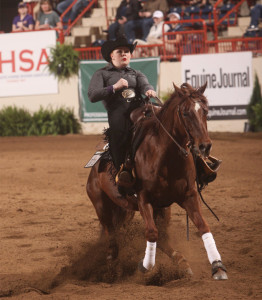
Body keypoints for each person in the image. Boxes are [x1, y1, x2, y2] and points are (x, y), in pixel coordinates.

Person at [88, 37, 156, 188]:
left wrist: (149, 90)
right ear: (112, 55)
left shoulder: (136, 73)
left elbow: (145, 84)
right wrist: (114, 87)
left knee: (164, 120)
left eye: (127, 51)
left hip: (140, 108)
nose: (124, 54)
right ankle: (122, 170)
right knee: (118, 130)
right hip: (118, 110)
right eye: (120, 52)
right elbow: (92, 95)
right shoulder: (102, 74)